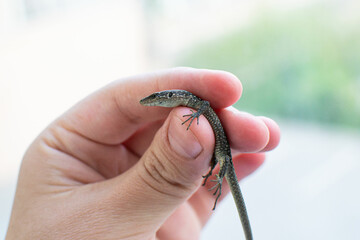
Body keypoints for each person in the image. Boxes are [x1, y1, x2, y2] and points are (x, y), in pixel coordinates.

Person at [6, 68, 280, 239]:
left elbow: (206, 104)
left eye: (160, 99)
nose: (156, 103)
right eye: (157, 100)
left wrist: (212, 170)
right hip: (217, 156)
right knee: (216, 175)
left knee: (220, 177)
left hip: (223, 158)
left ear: (173, 97)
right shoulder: (189, 102)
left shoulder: (194, 102)